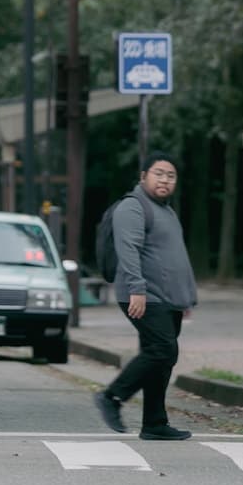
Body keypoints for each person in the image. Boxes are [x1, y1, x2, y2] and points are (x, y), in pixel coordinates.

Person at [94, 152, 197, 441]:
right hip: (143, 295)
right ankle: (111, 397)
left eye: (171, 175)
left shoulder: (166, 210)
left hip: (167, 298)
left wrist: (186, 297)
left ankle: (154, 423)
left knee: (161, 358)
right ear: (143, 177)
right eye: (159, 173)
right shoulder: (134, 206)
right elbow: (129, 250)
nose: (165, 179)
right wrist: (137, 289)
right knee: (163, 350)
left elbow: (175, 256)